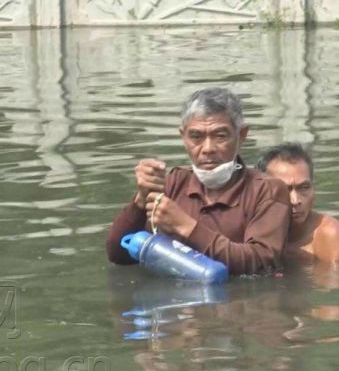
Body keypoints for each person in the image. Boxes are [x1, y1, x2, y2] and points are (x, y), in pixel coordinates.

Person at [105, 87, 290, 275]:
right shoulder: (173, 183)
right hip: (173, 300)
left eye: (220, 136)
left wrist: (186, 227)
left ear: (241, 135)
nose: (208, 148)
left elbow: (261, 262)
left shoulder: (267, 190)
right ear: (183, 136)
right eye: (196, 137)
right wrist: (140, 201)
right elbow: (118, 254)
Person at [256, 143, 339, 263]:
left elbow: (335, 279)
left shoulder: (330, 235)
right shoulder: (247, 229)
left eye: (304, 188)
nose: (295, 200)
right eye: (284, 189)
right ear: (261, 191)